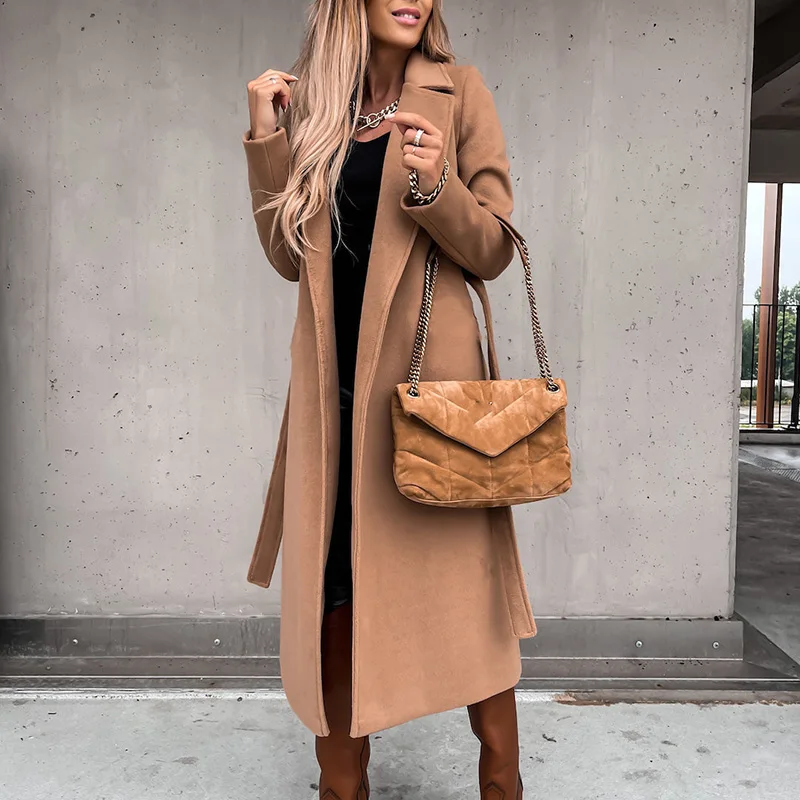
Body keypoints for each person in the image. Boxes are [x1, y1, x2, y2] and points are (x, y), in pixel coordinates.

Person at [242, 1, 536, 797]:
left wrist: (437, 182)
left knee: (466, 600)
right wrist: (268, 139)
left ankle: (502, 781)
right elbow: (286, 256)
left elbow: (493, 250)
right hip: (332, 404)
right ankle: (342, 787)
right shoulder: (316, 109)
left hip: (427, 401)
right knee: (333, 590)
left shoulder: (459, 91)